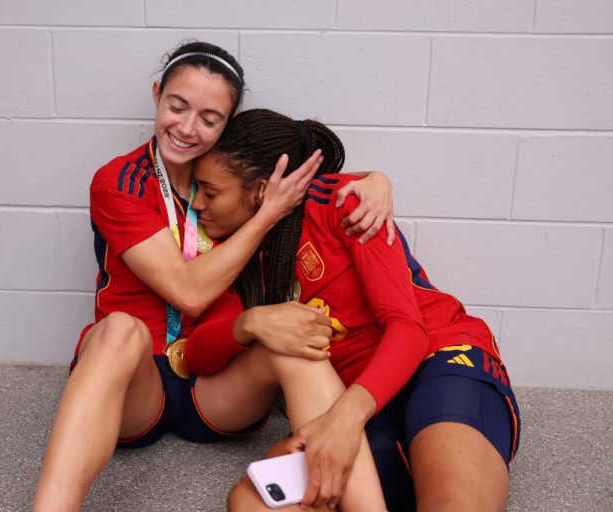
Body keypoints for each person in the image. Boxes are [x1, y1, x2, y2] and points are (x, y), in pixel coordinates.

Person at [32, 42, 395, 512]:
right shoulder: (119, 182)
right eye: (176, 106)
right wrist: (266, 217)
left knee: (299, 347)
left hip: (218, 383)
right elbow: (188, 290)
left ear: (229, 121)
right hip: (135, 388)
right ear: (157, 94)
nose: (186, 128)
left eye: (209, 118)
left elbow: (315, 175)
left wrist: (377, 181)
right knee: (119, 330)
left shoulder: (236, 175)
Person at [183, 108, 522, 512]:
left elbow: (408, 329)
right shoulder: (229, 255)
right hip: (363, 412)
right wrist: (249, 323)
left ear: (259, 190)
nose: (197, 204)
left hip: (439, 364)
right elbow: (197, 355)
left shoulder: (343, 203)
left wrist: (343, 420)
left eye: (209, 191)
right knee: (249, 501)